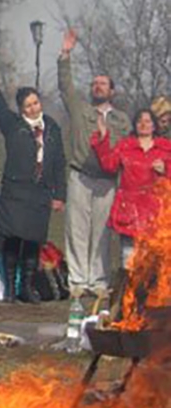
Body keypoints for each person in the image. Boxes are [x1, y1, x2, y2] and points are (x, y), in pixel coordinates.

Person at [0, 61, 67, 303]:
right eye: (28, 105)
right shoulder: (13, 125)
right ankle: (9, 288)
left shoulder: (52, 127)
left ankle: (26, 288)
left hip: (40, 191)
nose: (33, 108)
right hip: (16, 190)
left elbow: (60, 161)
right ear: (21, 109)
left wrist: (60, 195)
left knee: (33, 240)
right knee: (13, 238)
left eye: (35, 103)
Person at [58, 29, 131, 299]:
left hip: (108, 181)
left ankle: (98, 279)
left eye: (103, 84)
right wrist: (65, 54)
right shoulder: (80, 109)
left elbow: (126, 151)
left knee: (101, 232)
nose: (97, 87)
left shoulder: (122, 120)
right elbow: (65, 88)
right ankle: (77, 279)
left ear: (112, 91)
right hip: (80, 175)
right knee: (76, 228)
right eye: (94, 84)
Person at [90, 108, 171, 269]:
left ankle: (150, 289)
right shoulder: (125, 146)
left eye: (148, 121)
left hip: (156, 208)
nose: (143, 125)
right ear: (135, 125)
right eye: (140, 121)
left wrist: (166, 169)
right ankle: (128, 287)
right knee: (128, 254)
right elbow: (108, 165)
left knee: (153, 252)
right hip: (130, 207)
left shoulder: (166, 148)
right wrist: (103, 137)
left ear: (154, 126)